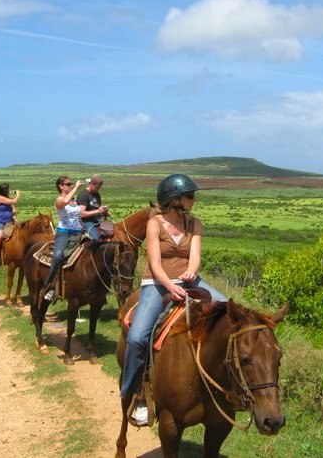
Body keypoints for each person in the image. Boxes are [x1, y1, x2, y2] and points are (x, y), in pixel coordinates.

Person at [120, 173, 227, 426]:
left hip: (190, 280)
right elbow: (155, 264)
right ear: (175, 199)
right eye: (190, 196)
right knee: (137, 338)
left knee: (230, 312)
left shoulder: (195, 223)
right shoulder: (155, 223)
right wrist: (170, 285)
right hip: (157, 283)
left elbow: (196, 256)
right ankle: (135, 394)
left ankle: (230, 387)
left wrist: (191, 271)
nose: (194, 200)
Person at [42, 176, 84, 302]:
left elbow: (78, 215)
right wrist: (76, 187)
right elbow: (65, 202)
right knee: (58, 255)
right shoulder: (59, 200)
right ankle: (49, 284)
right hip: (64, 233)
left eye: (71, 184)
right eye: (68, 184)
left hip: (78, 233)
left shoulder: (74, 200)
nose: (70, 185)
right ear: (61, 186)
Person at [0, 183, 20, 269]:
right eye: (7, 190)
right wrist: (18, 194)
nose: (8, 191)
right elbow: (14, 201)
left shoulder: (8, 199)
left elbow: (13, 208)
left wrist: (14, 216)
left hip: (9, 222)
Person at [77, 175, 108, 240]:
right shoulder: (84, 195)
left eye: (99, 187)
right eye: (97, 187)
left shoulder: (97, 194)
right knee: (95, 239)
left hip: (97, 220)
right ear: (91, 184)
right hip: (87, 222)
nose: (98, 189)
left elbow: (97, 208)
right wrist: (98, 211)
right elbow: (81, 214)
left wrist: (103, 212)